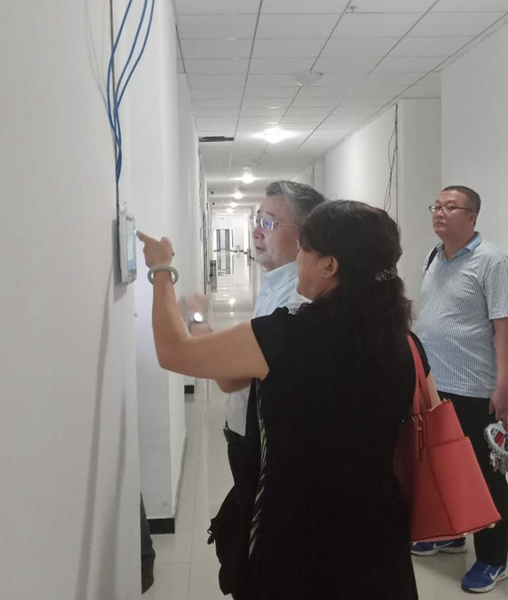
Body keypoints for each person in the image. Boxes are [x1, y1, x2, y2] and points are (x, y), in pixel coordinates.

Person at [138, 201, 443, 600]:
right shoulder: (406, 343)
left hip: (296, 532)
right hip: (377, 531)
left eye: (304, 249)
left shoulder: (281, 337)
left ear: (328, 266)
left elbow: (174, 352)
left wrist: (162, 270)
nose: (297, 258)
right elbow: (430, 413)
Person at [182, 181, 324, 505]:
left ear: (303, 236)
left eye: (269, 223)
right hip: (249, 435)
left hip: (267, 444)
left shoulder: (296, 299)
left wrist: (195, 318)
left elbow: (229, 377)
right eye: (257, 220)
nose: (257, 231)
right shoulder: (275, 283)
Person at [413, 185, 508, 594]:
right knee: (443, 466)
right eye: (436, 206)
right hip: (436, 385)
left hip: (475, 388)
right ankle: (452, 535)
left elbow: (504, 328)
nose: (439, 212)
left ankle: (493, 558)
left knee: (485, 475)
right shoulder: (434, 256)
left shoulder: (492, 261)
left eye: (449, 207)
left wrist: (504, 387)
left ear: (471, 217)